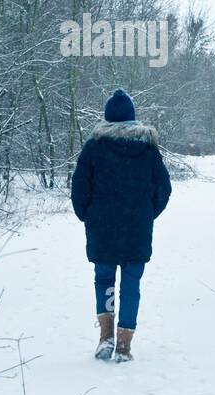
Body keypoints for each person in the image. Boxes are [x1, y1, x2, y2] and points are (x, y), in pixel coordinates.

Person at [70, 88, 172, 362]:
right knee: (131, 285)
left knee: (104, 281)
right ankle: (124, 345)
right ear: (132, 118)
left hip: (102, 228)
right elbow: (164, 189)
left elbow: (79, 189)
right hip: (136, 229)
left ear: (107, 119)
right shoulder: (147, 149)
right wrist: (147, 214)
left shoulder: (93, 148)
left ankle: (106, 337)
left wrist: (88, 216)